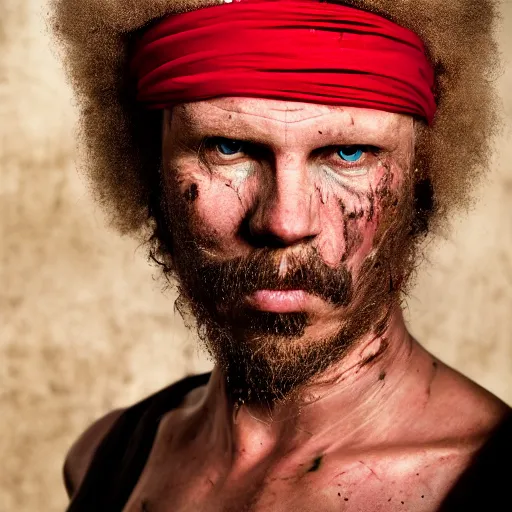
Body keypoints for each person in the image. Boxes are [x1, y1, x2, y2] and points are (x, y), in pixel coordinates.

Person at [51, 0, 511, 510]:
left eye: (348, 153)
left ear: (422, 178)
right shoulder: (105, 460)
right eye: (228, 147)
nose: (285, 223)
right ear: (147, 167)